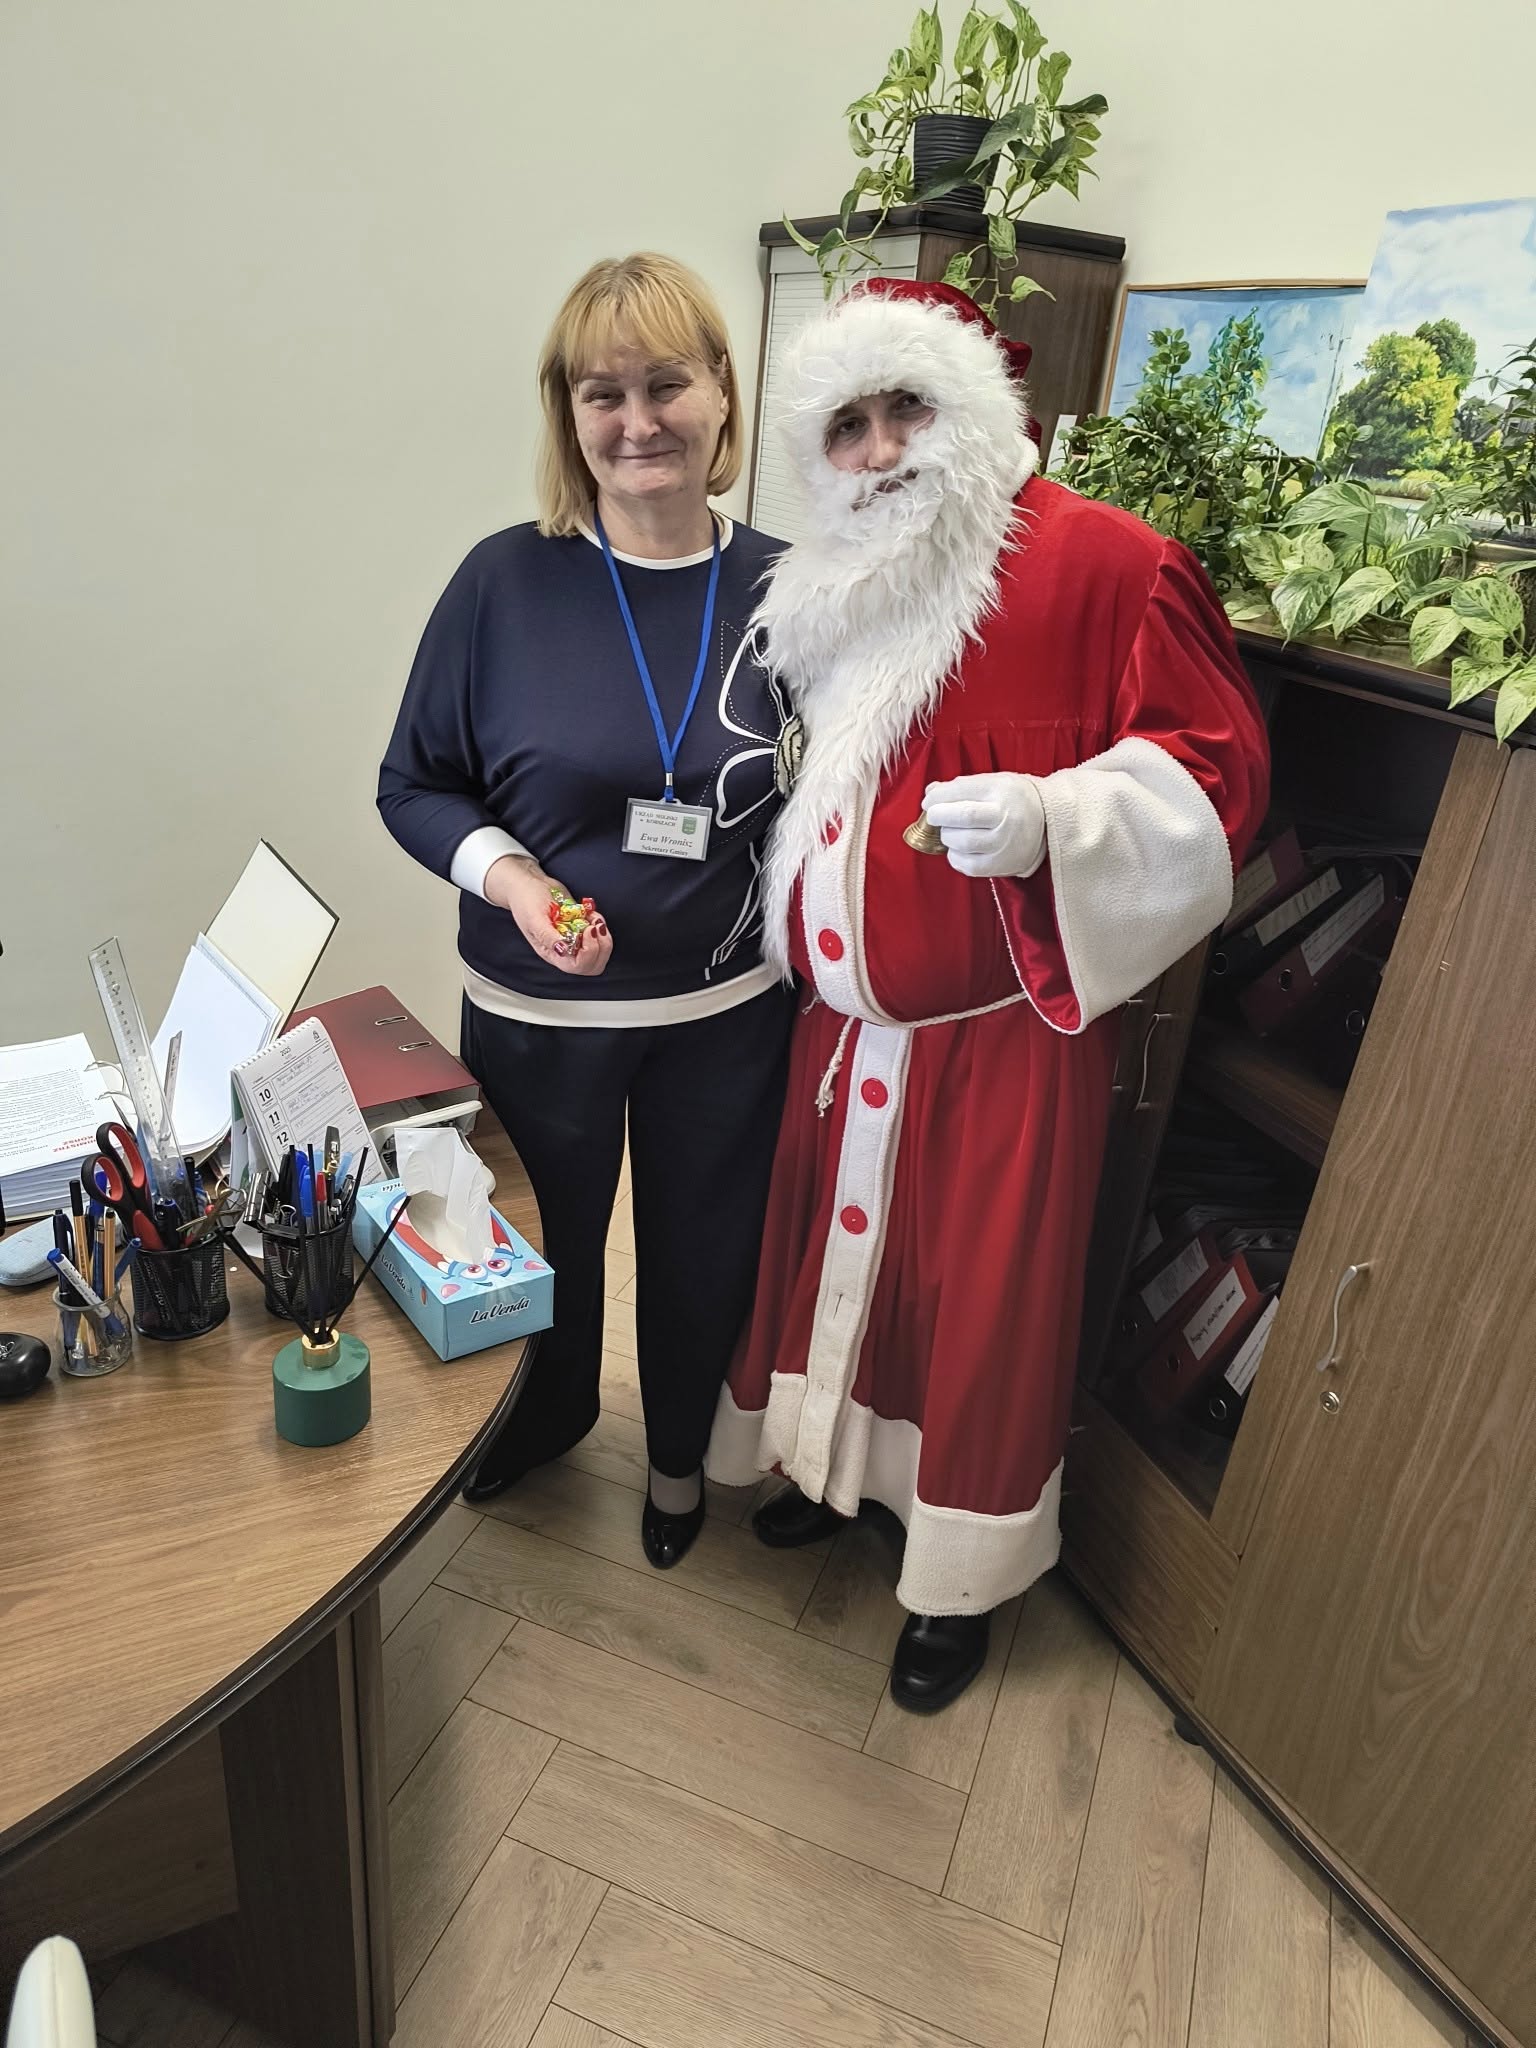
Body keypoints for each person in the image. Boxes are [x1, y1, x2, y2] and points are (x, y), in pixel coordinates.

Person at [705, 277, 1269, 1709]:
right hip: (840, 1036)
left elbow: (1218, 777)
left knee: (980, 1319)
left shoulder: (1111, 565)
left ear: (975, 405)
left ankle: (954, 1582)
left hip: (1003, 1043)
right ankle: (828, 1476)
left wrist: (1056, 821)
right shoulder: (825, 580)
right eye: (849, 424)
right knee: (839, 1281)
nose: (883, 449)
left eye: (911, 408)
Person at [379, 253, 790, 1570]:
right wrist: (516, 880)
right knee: (538, 1248)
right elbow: (413, 783)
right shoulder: (504, 582)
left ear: (722, 391)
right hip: (537, 1015)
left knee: (703, 1254)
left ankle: (679, 1464)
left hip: (727, 1015)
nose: (637, 421)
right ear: (567, 414)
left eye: (666, 384)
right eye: (601, 393)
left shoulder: (796, 592)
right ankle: (543, 1421)